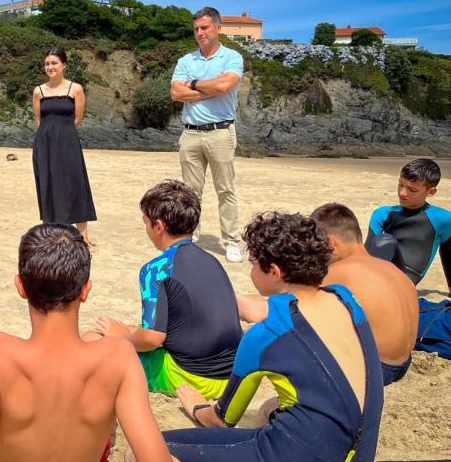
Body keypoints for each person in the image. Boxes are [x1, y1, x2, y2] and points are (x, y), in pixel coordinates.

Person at [0, 224, 173, 462]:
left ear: (20, 286)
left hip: (9, 404)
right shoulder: (120, 356)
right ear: (85, 290)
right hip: (85, 434)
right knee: (91, 344)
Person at [164, 212, 384, 462]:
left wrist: (198, 408)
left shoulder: (264, 336)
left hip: (304, 451)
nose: (252, 270)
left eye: (254, 263)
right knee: (271, 407)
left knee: (149, 449)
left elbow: (223, 421)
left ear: (275, 272)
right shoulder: (346, 299)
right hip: (360, 451)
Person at [85, 180, 242, 398]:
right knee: (125, 329)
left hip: (191, 376)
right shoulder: (211, 260)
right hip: (231, 375)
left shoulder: (156, 269)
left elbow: (152, 338)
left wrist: (119, 338)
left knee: (91, 340)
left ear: (158, 226)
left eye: (146, 223)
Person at [238, 203, 418, 385]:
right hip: (403, 362)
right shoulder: (389, 267)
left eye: (316, 244)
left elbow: (280, 308)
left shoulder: (341, 271)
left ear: (331, 243)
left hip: (378, 369)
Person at [170, 7, 244, 263]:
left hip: (220, 132)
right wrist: (208, 87)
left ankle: (232, 242)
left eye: (204, 28)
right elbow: (176, 94)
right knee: (190, 193)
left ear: (218, 28)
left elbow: (225, 86)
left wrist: (192, 84)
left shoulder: (232, 58)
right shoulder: (186, 61)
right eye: (196, 29)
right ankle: (191, 239)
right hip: (190, 133)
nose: (200, 33)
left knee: (225, 190)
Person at [32, 46, 97, 246]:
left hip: (68, 141)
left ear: (64, 65)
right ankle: (52, 234)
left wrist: (61, 132)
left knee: (75, 183)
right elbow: (39, 121)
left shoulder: (74, 89)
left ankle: (83, 236)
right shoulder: (39, 91)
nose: (50, 67)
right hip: (45, 143)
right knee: (48, 184)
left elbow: (77, 119)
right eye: (47, 64)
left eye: (54, 63)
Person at [365, 158, 450, 288]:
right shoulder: (382, 213)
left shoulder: (443, 219)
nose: (402, 193)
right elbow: (367, 253)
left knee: (384, 240)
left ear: (431, 192)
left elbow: (448, 251)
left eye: (412, 190)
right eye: (400, 184)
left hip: (406, 279)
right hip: (377, 272)